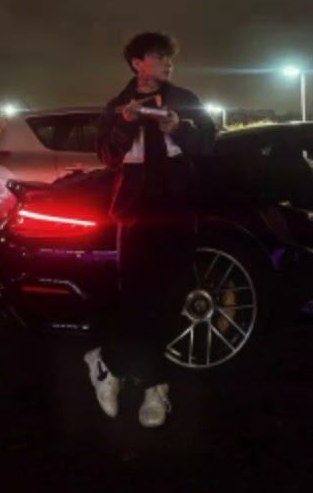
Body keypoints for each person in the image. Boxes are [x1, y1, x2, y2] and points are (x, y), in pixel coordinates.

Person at [83, 31, 216, 428]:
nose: (168, 63)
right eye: (159, 56)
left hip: (177, 208)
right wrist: (125, 124)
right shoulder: (117, 106)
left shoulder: (186, 99)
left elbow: (208, 144)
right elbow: (107, 156)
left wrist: (179, 128)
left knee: (173, 296)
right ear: (138, 63)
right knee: (138, 297)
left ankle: (108, 361)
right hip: (136, 212)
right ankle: (155, 385)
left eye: (169, 57)